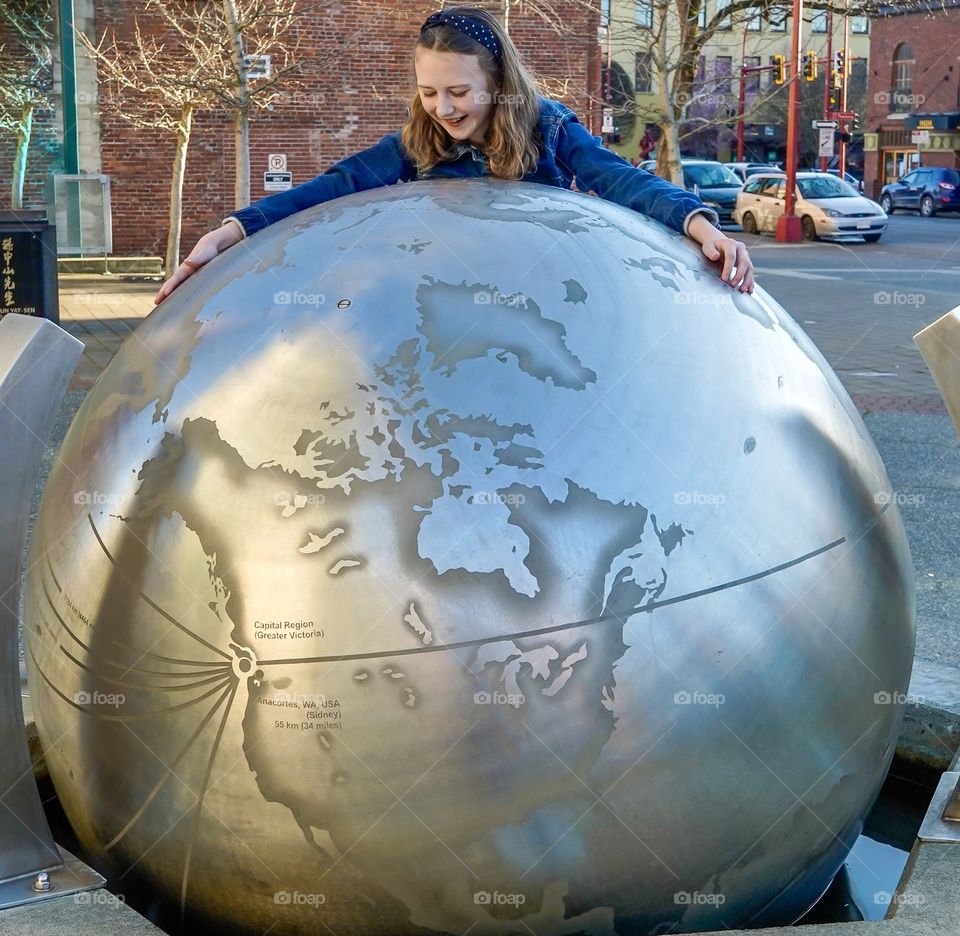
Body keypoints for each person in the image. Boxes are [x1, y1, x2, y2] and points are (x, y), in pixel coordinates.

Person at [155, 6, 754, 303]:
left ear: (496, 82)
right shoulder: (420, 143)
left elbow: (616, 178)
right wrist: (233, 230)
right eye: (429, 91)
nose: (443, 107)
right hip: (451, 299)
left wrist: (701, 225)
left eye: (459, 92)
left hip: (537, 295)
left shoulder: (547, 128)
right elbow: (337, 186)